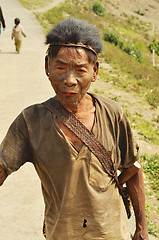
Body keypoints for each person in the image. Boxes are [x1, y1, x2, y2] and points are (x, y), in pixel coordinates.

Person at [0, 18, 148, 240]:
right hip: (61, 233)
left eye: (80, 70)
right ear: (47, 67)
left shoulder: (112, 113)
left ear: (95, 71)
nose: (70, 80)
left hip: (113, 232)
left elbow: (133, 168)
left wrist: (141, 228)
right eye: (60, 67)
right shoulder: (30, 121)